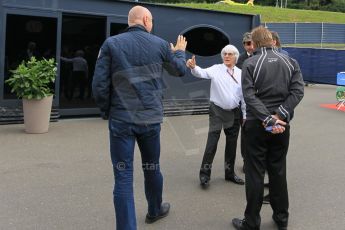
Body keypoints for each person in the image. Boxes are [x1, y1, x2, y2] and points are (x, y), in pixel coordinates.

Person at [92, 5, 187, 230]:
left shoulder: (111, 44)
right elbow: (179, 70)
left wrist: (108, 111)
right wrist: (179, 52)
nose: (152, 24)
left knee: (123, 177)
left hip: (121, 120)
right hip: (151, 119)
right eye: (151, 20)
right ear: (146, 19)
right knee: (152, 166)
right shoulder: (162, 44)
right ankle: (154, 210)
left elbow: (99, 85)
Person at [232, 26, 304, 230]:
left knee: (255, 173)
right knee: (278, 170)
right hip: (282, 124)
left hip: (257, 124)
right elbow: (298, 92)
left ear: (253, 44)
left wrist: (269, 118)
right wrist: (279, 115)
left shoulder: (250, 62)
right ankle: (282, 218)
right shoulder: (291, 61)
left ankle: (251, 223)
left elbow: (249, 95)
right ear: (272, 41)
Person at [186, 44, 246, 188]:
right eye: (224, 54)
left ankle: (229, 173)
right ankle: (204, 176)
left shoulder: (241, 73)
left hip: (234, 113)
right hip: (217, 111)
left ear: (236, 57)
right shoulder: (216, 69)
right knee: (211, 144)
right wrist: (193, 67)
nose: (226, 56)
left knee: (231, 145)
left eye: (230, 54)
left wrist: (245, 114)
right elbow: (201, 73)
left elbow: (244, 97)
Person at [262, 30, 290, 205]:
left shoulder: (280, 58)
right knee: (276, 159)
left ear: (274, 42)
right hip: (280, 115)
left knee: (272, 157)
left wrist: (276, 114)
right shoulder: (287, 58)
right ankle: (275, 190)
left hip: (269, 116)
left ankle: (273, 193)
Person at [236, 32, 255, 173]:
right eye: (248, 43)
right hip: (245, 103)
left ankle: (260, 161)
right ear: (244, 45)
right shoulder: (240, 60)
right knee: (246, 133)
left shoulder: (261, 57)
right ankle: (245, 160)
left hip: (261, 100)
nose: (251, 46)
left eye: (253, 43)